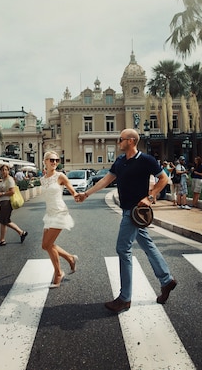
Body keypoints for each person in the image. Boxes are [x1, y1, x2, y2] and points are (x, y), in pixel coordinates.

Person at [75, 128, 177, 313]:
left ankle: (124, 298)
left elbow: (164, 178)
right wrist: (86, 194)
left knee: (123, 249)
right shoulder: (120, 161)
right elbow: (106, 180)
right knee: (147, 245)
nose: (118, 142)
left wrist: (151, 196)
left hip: (135, 211)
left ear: (131, 141)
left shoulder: (146, 160)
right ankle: (166, 280)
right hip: (128, 211)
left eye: (121, 139)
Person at [40, 151, 79, 288]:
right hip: (49, 214)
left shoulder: (60, 176)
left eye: (57, 160)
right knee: (45, 245)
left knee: (48, 244)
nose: (54, 162)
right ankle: (70, 258)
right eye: (51, 160)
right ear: (45, 161)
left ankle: (58, 273)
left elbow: (71, 189)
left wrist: (76, 195)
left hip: (60, 213)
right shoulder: (43, 179)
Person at [0, 164, 28, 246]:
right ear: (0, 172)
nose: (4, 171)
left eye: (6, 170)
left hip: (7, 202)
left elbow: (12, 192)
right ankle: (19, 233)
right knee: (4, 221)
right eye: (2, 170)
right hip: (3, 202)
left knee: (4, 221)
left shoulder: (10, 180)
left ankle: (4, 239)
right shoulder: (3, 180)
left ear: (8, 171)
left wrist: (1, 194)